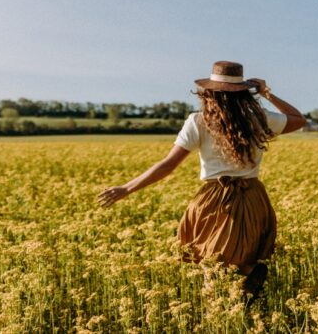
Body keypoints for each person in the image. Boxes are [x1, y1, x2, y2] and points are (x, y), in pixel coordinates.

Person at [96, 61, 306, 305]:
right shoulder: (259, 117)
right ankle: (246, 297)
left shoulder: (198, 121)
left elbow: (168, 164)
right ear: (244, 92)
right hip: (252, 197)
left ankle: (219, 313)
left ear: (209, 92)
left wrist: (126, 188)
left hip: (215, 200)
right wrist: (267, 93)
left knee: (212, 265)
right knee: (245, 260)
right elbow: (297, 119)